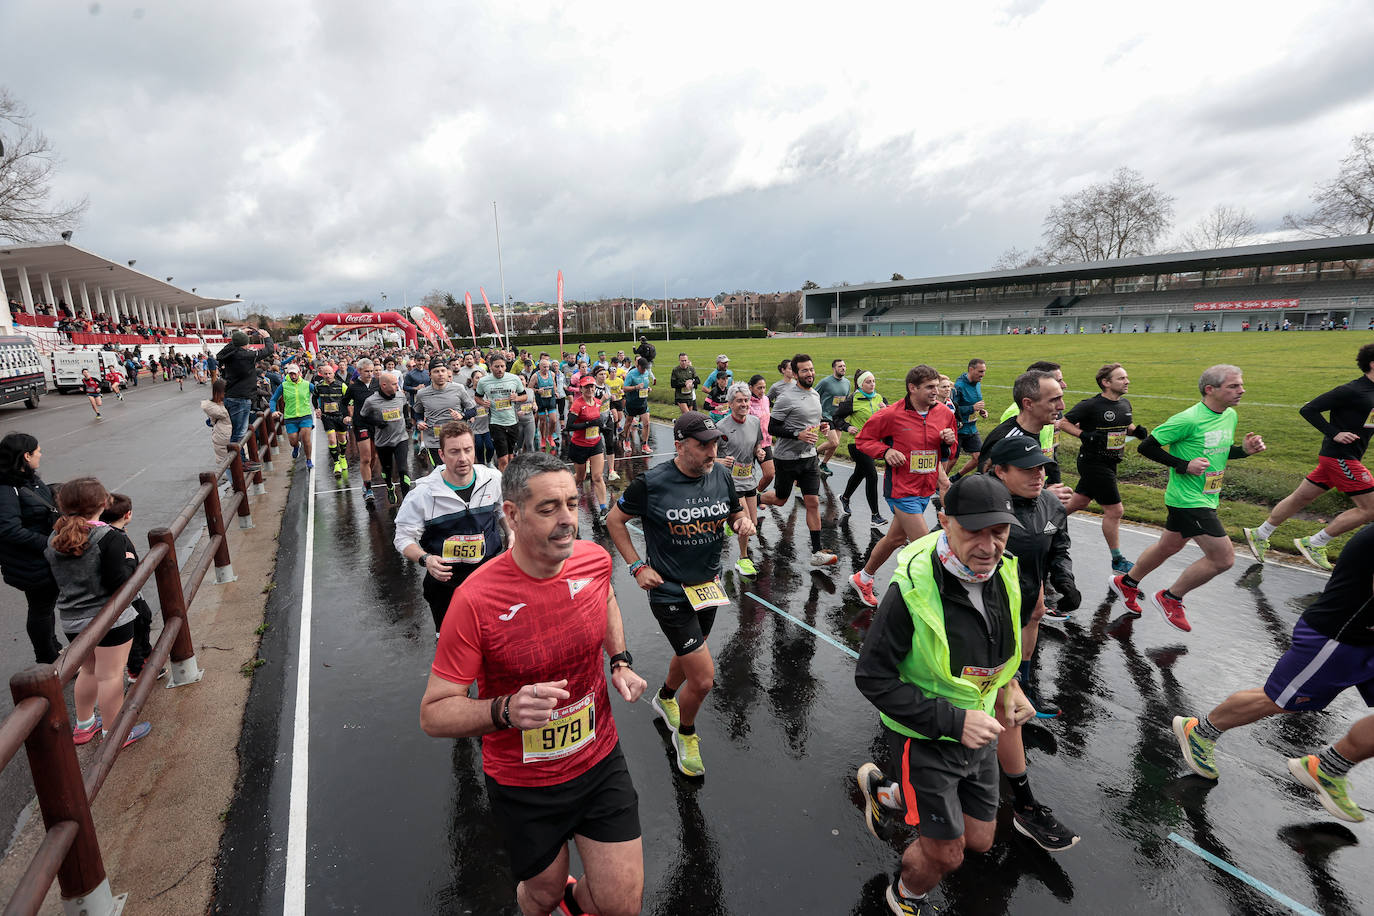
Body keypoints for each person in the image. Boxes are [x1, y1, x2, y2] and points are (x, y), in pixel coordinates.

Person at [420, 452, 647, 916]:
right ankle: (553, 899)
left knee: (621, 905)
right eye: (548, 509)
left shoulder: (594, 560)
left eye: (571, 503)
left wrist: (619, 660)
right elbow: (434, 712)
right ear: (512, 514)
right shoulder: (476, 599)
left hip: (599, 759)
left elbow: (603, 598)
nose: (568, 521)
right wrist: (502, 710)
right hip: (524, 783)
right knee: (541, 895)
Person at [853, 475, 1031, 915]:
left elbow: (1000, 642)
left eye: (999, 531)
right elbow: (872, 677)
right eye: (975, 531)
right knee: (946, 854)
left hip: (979, 728)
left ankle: (888, 794)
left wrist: (1010, 686)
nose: (989, 546)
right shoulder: (911, 587)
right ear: (945, 519)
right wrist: (954, 722)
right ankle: (904, 896)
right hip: (925, 736)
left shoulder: (1006, 568)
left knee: (981, 840)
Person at [1171, 521, 1374, 823]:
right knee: (1280, 700)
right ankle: (1200, 731)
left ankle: (1329, 767)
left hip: (1364, 641)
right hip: (1337, 639)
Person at [607, 412, 753, 777]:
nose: (711, 451)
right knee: (703, 679)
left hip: (708, 586)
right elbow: (614, 520)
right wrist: (637, 567)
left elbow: (734, 514)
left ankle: (666, 696)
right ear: (679, 446)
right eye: (702, 445)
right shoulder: (652, 482)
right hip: (669, 591)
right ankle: (685, 733)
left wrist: (742, 522)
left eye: (714, 442)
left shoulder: (720, 473)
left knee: (692, 651)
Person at [1110, 365, 1266, 632]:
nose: (1242, 390)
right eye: (1234, 386)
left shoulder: (1229, 415)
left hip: (1206, 496)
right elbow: (1148, 446)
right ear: (1210, 389)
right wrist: (1183, 465)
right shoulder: (1188, 419)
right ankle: (1170, 597)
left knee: (1168, 547)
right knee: (1223, 559)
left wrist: (1244, 451)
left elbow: (1219, 450)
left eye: (1240, 385)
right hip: (1188, 500)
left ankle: (1127, 582)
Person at [984, 438, 1082, 850]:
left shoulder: (1051, 504)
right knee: (984, 711)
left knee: (1006, 710)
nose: (1039, 474)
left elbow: (1058, 546)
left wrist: (1064, 580)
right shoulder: (980, 507)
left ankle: (1022, 806)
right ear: (999, 471)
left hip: (1020, 609)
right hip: (980, 618)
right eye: (1027, 469)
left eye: (1041, 467)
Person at [1243, 343, 1374, 570]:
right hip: (1340, 457)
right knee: (1371, 508)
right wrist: (1335, 433)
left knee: (1300, 498)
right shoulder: (1352, 390)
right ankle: (1315, 543)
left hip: (1345, 457)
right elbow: (1309, 409)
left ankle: (1260, 533)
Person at [45, 477, 152, 748]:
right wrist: (130, 561)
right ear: (103, 504)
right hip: (109, 619)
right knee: (111, 675)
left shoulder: (55, 537)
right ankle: (115, 733)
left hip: (72, 619)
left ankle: (84, 725)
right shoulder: (109, 537)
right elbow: (118, 580)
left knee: (88, 671)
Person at [849, 366, 958, 609]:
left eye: (936, 386)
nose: (935, 392)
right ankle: (930, 602)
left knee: (895, 538)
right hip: (901, 490)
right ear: (913, 388)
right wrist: (885, 451)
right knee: (925, 549)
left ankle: (863, 578)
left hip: (925, 487)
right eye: (929, 387)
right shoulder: (891, 414)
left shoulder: (944, 413)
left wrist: (949, 442)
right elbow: (863, 440)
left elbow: (947, 450)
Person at [394, 421, 505, 634]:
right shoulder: (423, 494)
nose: (462, 458)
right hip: (445, 585)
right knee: (452, 646)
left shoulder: (493, 478)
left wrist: (511, 534)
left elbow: (502, 509)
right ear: (442, 455)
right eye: (454, 452)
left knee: (493, 638)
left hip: (488, 578)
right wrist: (426, 559)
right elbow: (402, 537)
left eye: (467, 450)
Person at [1060, 363, 1149, 573]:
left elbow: (1124, 425)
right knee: (1115, 510)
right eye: (1121, 378)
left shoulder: (1125, 404)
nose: (1127, 381)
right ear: (1106, 383)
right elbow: (1063, 423)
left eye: (1126, 377)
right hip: (1093, 462)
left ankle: (1044, 523)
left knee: (1079, 501)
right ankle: (1117, 559)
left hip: (1111, 461)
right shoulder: (1090, 405)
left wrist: (1137, 431)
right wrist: (1084, 435)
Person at [760, 354, 838, 567]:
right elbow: (772, 427)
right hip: (787, 458)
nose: (810, 373)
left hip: (809, 457)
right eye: (804, 370)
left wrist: (821, 426)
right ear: (795, 374)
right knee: (780, 500)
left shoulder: (814, 394)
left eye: (811, 369)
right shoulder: (786, 397)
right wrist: (798, 435)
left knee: (812, 502)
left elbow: (811, 421)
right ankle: (755, 500)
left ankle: (816, 552)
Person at [0, 433, 64, 663]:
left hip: (42, 559)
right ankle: (47, 658)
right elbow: (8, 529)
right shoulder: (6, 488)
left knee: (46, 606)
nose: (41, 454)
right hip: (29, 562)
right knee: (40, 609)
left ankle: (53, 646)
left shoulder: (29, 479)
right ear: (26, 456)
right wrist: (48, 542)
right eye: (37, 451)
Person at [99, 493, 158, 684]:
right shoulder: (114, 538)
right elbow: (121, 572)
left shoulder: (112, 533)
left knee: (144, 619)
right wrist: (132, 563)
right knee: (137, 627)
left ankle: (146, 659)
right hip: (127, 595)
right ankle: (137, 669)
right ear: (128, 514)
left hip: (132, 593)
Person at [716, 384, 766, 577]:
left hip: (749, 479)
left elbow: (756, 445)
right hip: (730, 482)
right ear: (730, 404)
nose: (744, 404)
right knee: (745, 524)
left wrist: (759, 452)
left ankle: (730, 523)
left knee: (752, 524)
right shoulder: (721, 427)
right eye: (739, 401)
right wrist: (720, 460)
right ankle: (743, 559)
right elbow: (709, 455)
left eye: (746, 400)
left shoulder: (754, 422)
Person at [834, 369, 887, 526]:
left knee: (860, 473)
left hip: (874, 444)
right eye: (868, 382)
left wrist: (887, 409)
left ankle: (844, 498)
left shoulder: (880, 398)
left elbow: (891, 418)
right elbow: (836, 417)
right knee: (872, 474)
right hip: (857, 443)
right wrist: (847, 426)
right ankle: (875, 516)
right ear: (860, 384)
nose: (872, 384)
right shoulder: (853, 400)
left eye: (873, 381)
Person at [360, 370, 413, 505]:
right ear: (384, 385)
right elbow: (363, 416)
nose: (397, 386)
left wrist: (407, 419)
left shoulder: (400, 396)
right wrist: (376, 422)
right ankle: (389, 486)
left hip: (401, 438)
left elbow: (405, 406)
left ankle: (407, 500)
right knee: (387, 470)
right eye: (394, 384)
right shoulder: (371, 401)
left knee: (403, 469)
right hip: (383, 442)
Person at [567, 376, 611, 519]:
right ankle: (566, 494)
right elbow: (569, 426)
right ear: (581, 389)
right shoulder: (577, 404)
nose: (590, 389)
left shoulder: (598, 403)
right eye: (586, 387)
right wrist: (588, 424)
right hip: (579, 445)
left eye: (592, 386)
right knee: (580, 477)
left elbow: (599, 421)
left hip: (595, 443)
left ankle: (604, 508)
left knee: (597, 476)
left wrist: (603, 427)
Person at [475, 355, 528, 471]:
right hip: (496, 423)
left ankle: (510, 480)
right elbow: (477, 397)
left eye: (502, 366)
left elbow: (524, 396)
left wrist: (517, 398)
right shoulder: (484, 381)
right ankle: (503, 485)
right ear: (490, 367)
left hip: (512, 422)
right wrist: (484, 403)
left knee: (510, 457)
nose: (500, 369)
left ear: (505, 367)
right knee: (503, 459)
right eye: (496, 366)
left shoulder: (514, 379)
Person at [342, 358, 381, 506]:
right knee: (365, 457)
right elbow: (344, 402)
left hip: (377, 424)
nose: (370, 374)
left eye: (372, 371)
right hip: (361, 423)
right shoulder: (353, 387)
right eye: (367, 371)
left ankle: (366, 480)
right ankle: (368, 488)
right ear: (359, 371)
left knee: (374, 457)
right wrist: (346, 415)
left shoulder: (378, 384)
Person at [413, 362, 467, 469]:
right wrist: (419, 422)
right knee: (441, 471)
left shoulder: (459, 388)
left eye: (443, 371)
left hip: (456, 439)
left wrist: (462, 415)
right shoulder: (422, 394)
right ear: (430, 375)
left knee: (456, 470)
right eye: (436, 372)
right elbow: (417, 413)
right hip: (434, 441)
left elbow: (472, 410)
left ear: (447, 373)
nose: (441, 374)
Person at [270, 362, 317, 469]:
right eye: (291, 374)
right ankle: (296, 446)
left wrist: (319, 407)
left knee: (306, 438)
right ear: (288, 374)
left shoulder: (306, 384)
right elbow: (273, 399)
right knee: (293, 441)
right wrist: (273, 411)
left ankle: (309, 460)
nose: (293, 376)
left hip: (305, 415)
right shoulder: (284, 385)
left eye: (295, 373)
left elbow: (318, 394)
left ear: (299, 373)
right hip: (290, 417)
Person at [950, 358, 988, 478]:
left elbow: (974, 403)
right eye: (980, 371)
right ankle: (938, 485)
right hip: (959, 429)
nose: (983, 375)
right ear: (971, 369)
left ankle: (955, 478)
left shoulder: (977, 383)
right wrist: (972, 408)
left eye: (984, 371)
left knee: (979, 457)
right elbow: (952, 409)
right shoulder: (959, 386)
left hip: (972, 428)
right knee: (952, 460)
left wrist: (981, 411)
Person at [312, 363, 351, 480]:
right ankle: (336, 463)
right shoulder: (319, 386)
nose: (328, 376)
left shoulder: (341, 385)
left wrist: (348, 415)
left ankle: (342, 456)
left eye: (330, 373)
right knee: (332, 439)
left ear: (334, 374)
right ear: (322, 374)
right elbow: (314, 398)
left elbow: (349, 399)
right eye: (325, 374)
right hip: (327, 417)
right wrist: (317, 408)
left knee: (342, 439)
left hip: (340, 417)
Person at [814, 357, 850, 477]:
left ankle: (823, 464)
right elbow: (814, 394)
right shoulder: (825, 382)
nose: (843, 368)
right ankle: (814, 453)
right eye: (840, 366)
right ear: (834, 368)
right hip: (825, 416)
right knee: (833, 442)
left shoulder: (847, 383)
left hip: (838, 416)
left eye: (844, 366)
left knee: (836, 443)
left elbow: (846, 399)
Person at [747, 374, 775, 493]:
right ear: (751, 388)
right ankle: (746, 498)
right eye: (759, 388)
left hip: (764, 442)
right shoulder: (745, 402)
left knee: (770, 474)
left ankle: (757, 494)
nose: (762, 391)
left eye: (764, 387)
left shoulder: (766, 400)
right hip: (748, 444)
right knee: (747, 477)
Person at [621, 357, 655, 456]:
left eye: (645, 368)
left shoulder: (646, 373)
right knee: (628, 422)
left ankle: (645, 444)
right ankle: (626, 441)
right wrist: (635, 387)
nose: (644, 370)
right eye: (642, 368)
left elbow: (644, 385)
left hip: (643, 402)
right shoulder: (631, 374)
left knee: (647, 423)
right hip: (632, 402)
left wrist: (648, 389)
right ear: (637, 366)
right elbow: (625, 388)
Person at [202, 379, 233, 464]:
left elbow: (209, 422)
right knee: (234, 461)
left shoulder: (212, 406)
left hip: (220, 434)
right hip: (227, 433)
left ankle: (231, 476)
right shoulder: (230, 403)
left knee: (226, 462)